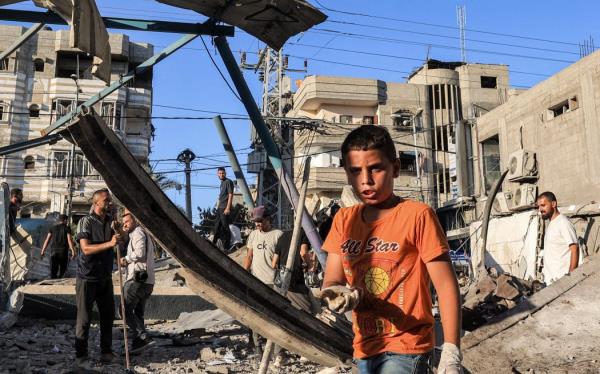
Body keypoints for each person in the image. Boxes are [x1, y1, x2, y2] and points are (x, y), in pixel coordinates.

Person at [319, 125, 462, 374]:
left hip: (408, 346)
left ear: (395, 168)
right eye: (355, 171)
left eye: (375, 168)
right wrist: (337, 293)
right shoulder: (343, 220)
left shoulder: (417, 216)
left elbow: (447, 286)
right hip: (364, 347)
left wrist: (451, 352)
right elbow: (332, 277)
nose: (366, 180)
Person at [75, 188, 121, 367]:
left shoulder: (110, 222)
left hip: (105, 277)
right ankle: (81, 356)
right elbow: (85, 249)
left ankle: (106, 352)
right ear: (96, 203)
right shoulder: (85, 222)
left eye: (110, 200)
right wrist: (110, 243)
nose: (109, 202)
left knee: (107, 316)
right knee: (84, 319)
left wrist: (117, 228)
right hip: (87, 278)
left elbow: (121, 239)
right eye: (106, 200)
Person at [243, 206, 283, 357]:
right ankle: (257, 346)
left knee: (274, 316)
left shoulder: (277, 235)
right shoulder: (253, 235)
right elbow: (249, 255)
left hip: (273, 282)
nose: (257, 224)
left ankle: (276, 350)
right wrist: (244, 273)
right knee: (256, 315)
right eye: (255, 222)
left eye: (260, 221)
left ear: (268, 219)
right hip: (256, 281)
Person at [120, 211, 156, 353]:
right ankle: (138, 344)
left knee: (124, 309)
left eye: (127, 221)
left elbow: (140, 253)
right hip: (148, 278)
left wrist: (125, 259)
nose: (125, 225)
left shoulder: (138, 233)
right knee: (138, 312)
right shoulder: (144, 234)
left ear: (135, 220)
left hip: (139, 275)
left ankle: (143, 337)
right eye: (124, 223)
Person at [537, 191, 582, 285]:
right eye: (539, 206)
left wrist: (570, 278)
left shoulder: (563, 223)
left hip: (562, 282)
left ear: (553, 204)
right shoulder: (552, 224)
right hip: (550, 281)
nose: (540, 209)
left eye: (543, 205)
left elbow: (575, 249)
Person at [273, 230, 316, 314]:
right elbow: (303, 253)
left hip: (279, 282)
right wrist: (311, 266)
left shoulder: (283, 235)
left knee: (283, 312)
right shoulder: (304, 233)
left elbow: (273, 264)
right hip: (296, 283)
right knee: (307, 315)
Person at [41, 214, 76, 279]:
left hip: (54, 251)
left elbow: (47, 240)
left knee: (53, 270)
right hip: (63, 251)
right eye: (67, 220)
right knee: (63, 270)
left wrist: (43, 251)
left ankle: (52, 285)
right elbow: (69, 240)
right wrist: (73, 250)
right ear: (65, 220)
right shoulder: (67, 228)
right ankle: (60, 284)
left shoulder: (52, 228)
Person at [213, 167, 234, 250]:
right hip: (220, 207)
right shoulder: (222, 183)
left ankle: (226, 247)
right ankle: (214, 243)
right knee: (217, 226)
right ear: (217, 174)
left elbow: (230, 195)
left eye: (223, 173)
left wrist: (228, 208)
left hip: (225, 207)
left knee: (225, 227)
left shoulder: (228, 182)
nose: (221, 175)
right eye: (220, 173)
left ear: (225, 173)